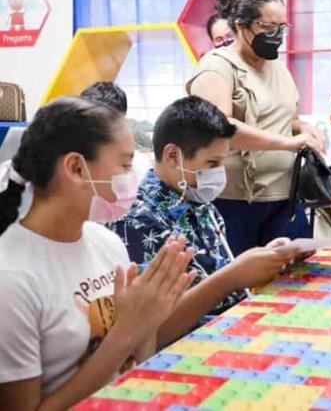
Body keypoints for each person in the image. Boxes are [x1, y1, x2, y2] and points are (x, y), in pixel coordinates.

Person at [0, 97, 195, 409]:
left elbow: (136, 365)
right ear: (76, 168)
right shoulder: (11, 279)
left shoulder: (105, 241)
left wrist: (147, 320)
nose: (133, 177)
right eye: (126, 164)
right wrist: (127, 331)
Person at [109, 95, 297, 326]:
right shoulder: (137, 220)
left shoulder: (200, 204)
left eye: (222, 163)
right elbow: (156, 326)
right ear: (172, 156)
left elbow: (211, 275)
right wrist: (232, 277)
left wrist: (260, 261)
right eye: (212, 164)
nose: (219, 174)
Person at [188, 0, 324, 255]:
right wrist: (287, 143)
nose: (276, 35)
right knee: (240, 284)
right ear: (241, 26)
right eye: (267, 27)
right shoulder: (217, 66)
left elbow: (289, 118)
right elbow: (218, 125)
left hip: (285, 196)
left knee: (293, 277)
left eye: (282, 28)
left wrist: (306, 129)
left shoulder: (278, 68)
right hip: (235, 200)